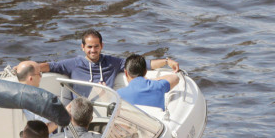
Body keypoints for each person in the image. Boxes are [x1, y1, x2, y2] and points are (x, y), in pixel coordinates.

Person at [34, 29, 179, 89]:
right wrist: (29, 68)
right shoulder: (73, 64)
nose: (93, 50)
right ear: (82, 47)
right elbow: (51, 66)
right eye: (89, 47)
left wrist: (166, 61)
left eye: (96, 46)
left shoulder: (112, 62)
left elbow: (142, 64)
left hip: (106, 110)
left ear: (102, 46)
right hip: (80, 112)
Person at [116, 54, 181, 110]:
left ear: (126, 73)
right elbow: (175, 78)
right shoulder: (158, 86)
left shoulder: (119, 94)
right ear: (146, 71)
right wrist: (153, 80)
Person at [13, 61, 57, 133]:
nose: (41, 76)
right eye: (39, 74)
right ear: (31, 78)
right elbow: (43, 132)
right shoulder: (39, 100)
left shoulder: (15, 93)